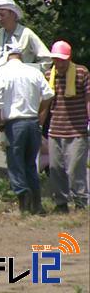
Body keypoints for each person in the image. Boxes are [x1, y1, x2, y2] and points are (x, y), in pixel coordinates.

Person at [0, 46, 54, 214]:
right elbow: (48, 95)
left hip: (14, 124)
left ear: (7, 56)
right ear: (20, 55)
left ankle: (23, 200)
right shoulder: (33, 72)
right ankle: (37, 204)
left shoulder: (2, 72)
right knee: (30, 164)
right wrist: (41, 114)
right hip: (33, 122)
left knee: (15, 164)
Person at [44, 41, 90, 212]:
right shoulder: (49, 75)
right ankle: (61, 203)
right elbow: (46, 103)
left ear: (69, 58)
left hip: (77, 130)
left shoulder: (81, 72)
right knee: (56, 168)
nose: (59, 63)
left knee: (74, 169)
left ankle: (80, 202)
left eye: (62, 60)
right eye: (56, 59)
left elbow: (88, 99)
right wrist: (40, 125)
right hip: (55, 129)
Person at [0, 0, 51, 71]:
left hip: (21, 79)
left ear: (13, 14)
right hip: (0, 78)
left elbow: (46, 58)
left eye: (2, 15)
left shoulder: (27, 34)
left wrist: (35, 72)